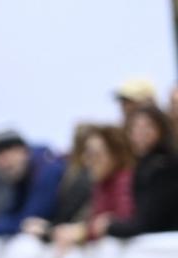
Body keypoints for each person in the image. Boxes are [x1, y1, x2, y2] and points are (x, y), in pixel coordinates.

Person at [89, 105, 178, 240]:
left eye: (147, 126)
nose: (140, 133)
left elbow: (148, 222)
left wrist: (110, 226)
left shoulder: (164, 167)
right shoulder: (142, 167)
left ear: (161, 129)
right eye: (135, 127)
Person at [49, 125, 134, 247]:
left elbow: (122, 220)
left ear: (114, 155)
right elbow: (96, 222)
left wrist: (84, 232)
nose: (87, 160)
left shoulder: (124, 181)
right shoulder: (100, 184)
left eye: (95, 154)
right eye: (87, 154)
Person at [0, 132, 66, 239]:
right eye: (0, 158)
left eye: (8, 155)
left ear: (23, 152)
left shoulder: (47, 172)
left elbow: (28, 220)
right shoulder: (19, 178)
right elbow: (13, 214)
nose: (4, 163)